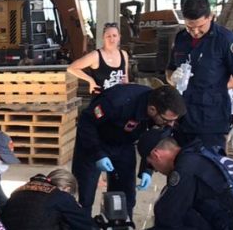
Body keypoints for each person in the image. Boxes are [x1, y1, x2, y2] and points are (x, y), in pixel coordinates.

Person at [71, 84, 186, 217]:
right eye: (167, 120)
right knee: (85, 195)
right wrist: (97, 153)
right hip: (94, 141)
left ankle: (120, 226)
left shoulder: (162, 115)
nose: (170, 124)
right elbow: (86, 121)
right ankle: (82, 227)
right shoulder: (117, 101)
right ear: (152, 109)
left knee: (125, 197)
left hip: (124, 143)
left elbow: (152, 142)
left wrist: (148, 168)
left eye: (173, 121)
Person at [165, 0, 233, 151]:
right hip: (183, 117)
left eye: (200, 26)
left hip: (212, 119)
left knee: (210, 163)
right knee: (182, 163)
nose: (195, 32)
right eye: (189, 27)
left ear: (210, 17)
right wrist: (173, 78)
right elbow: (169, 70)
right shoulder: (181, 38)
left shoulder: (226, 40)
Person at [66, 21, 129, 93]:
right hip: (101, 98)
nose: (111, 39)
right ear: (103, 37)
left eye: (114, 35)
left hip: (120, 97)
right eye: (108, 36)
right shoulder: (95, 55)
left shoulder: (124, 54)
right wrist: (90, 80)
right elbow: (71, 68)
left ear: (119, 37)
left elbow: (126, 78)